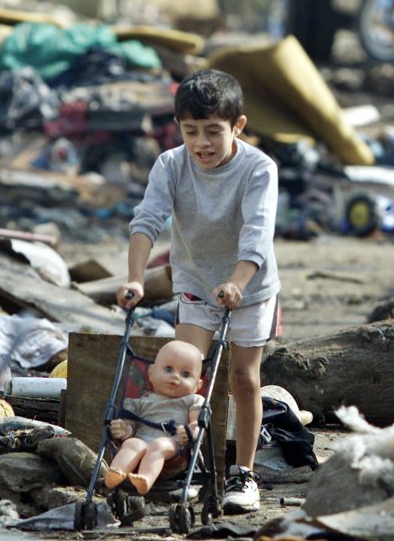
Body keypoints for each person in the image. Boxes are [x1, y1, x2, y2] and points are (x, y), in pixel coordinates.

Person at [116, 68, 280, 514]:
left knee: (243, 379)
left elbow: (257, 233)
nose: (202, 143)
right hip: (192, 282)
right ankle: (185, 467)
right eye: (191, 132)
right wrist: (134, 277)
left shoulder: (259, 169)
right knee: (186, 377)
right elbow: (147, 220)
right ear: (178, 129)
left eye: (213, 132)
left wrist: (238, 283)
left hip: (251, 285)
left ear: (238, 126)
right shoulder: (171, 164)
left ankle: (242, 473)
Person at [104, 340, 204, 494]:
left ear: (197, 386)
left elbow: (197, 423)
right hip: (141, 441)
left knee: (160, 445)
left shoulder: (192, 400)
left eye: (185, 374)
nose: (175, 377)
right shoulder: (139, 402)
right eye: (168, 369)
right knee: (132, 444)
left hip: (173, 449)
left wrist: (190, 433)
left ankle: (145, 479)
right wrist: (125, 431)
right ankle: (115, 473)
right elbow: (131, 427)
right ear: (151, 373)